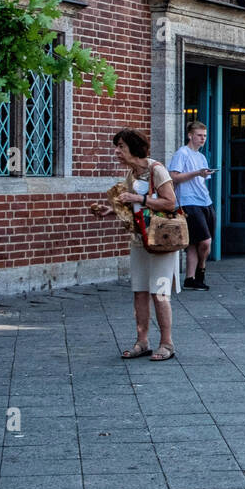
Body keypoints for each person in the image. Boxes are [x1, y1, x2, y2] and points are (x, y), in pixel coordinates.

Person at [90, 129, 179, 361]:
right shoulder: (132, 174)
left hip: (161, 241)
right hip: (140, 239)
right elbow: (132, 208)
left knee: (159, 293)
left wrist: (139, 198)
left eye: (121, 146)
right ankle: (142, 341)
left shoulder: (156, 169)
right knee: (139, 292)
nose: (116, 151)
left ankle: (167, 343)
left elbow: (170, 203)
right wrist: (110, 211)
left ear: (134, 147)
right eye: (116, 146)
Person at [168, 120, 216, 290]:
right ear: (190, 135)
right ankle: (201, 270)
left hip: (205, 201)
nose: (202, 139)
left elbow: (201, 180)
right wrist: (197, 172)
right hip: (189, 202)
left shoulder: (201, 156)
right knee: (206, 241)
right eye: (199, 135)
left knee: (194, 244)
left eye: (204, 136)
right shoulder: (182, 153)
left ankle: (190, 278)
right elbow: (173, 176)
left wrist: (203, 174)